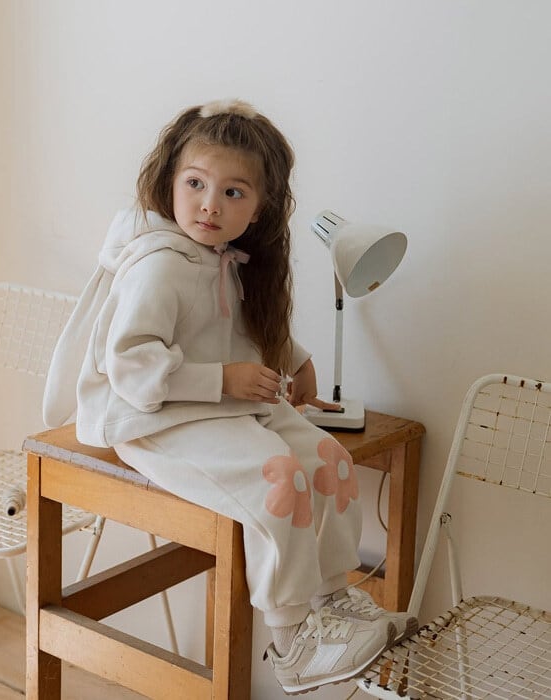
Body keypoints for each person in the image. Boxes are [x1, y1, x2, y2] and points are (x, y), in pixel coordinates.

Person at [43, 99, 416, 694]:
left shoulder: (225, 258)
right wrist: (223, 380)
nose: (210, 205)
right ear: (171, 182)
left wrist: (296, 361)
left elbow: (236, 326)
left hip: (220, 406)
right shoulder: (159, 267)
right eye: (195, 184)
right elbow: (130, 365)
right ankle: (292, 641)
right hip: (149, 417)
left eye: (233, 192)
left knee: (331, 460)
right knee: (279, 477)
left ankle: (333, 601)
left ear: (259, 207)